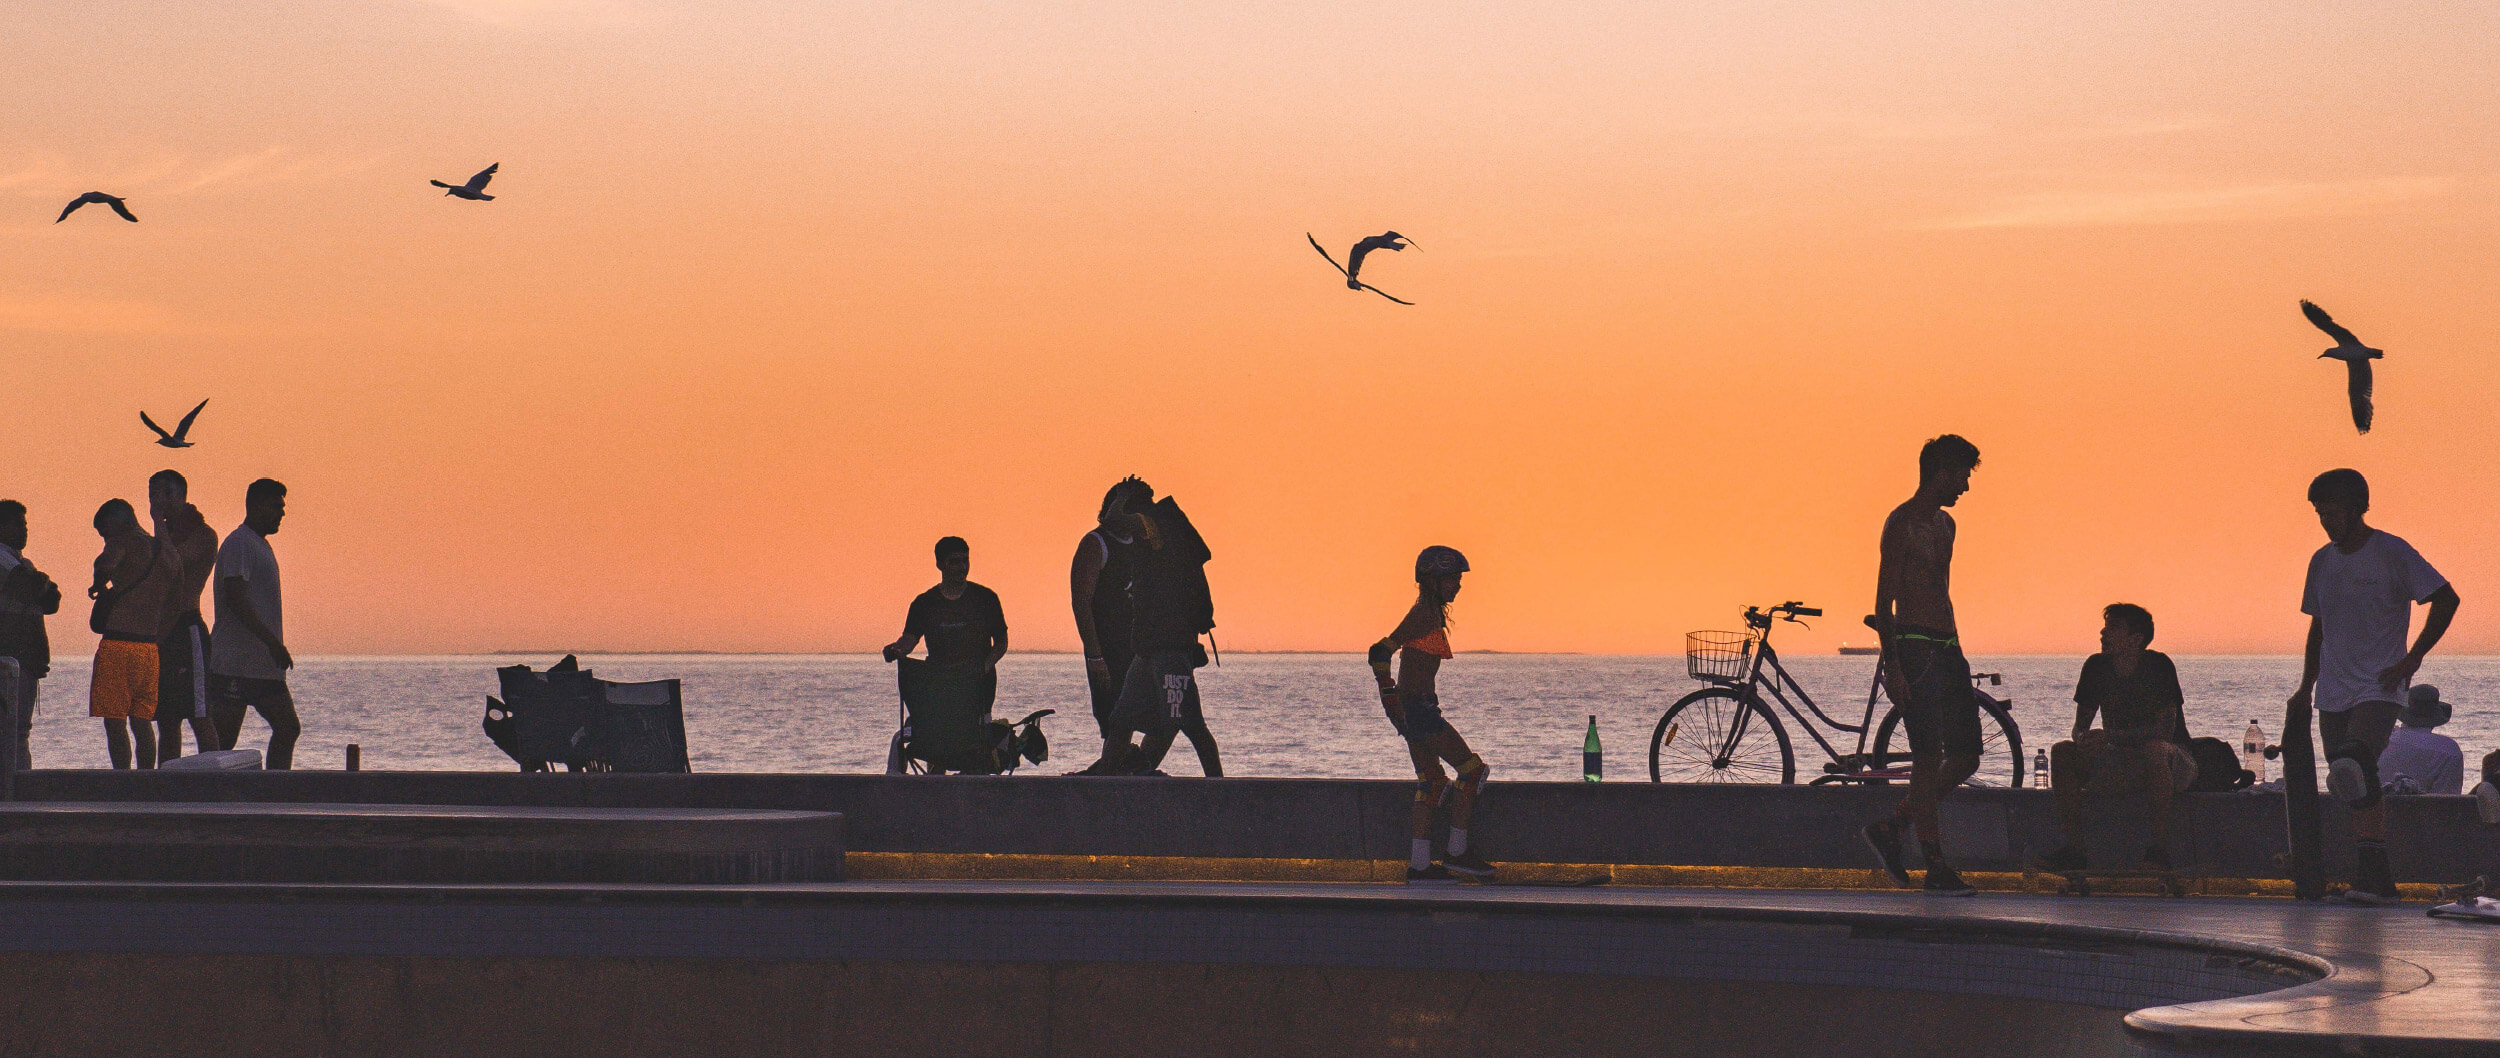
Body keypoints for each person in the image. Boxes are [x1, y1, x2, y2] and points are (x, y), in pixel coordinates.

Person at [2289, 468, 2461, 905]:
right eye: (2319, 515)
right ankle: (2376, 877)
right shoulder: (2321, 561)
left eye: (2331, 513)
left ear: (2356, 508)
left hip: (2379, 685)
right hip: (2332, 689)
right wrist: (2306, 686)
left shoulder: (2391, 552)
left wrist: (2413, 657)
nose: (2326, 522)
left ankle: (2373, 875)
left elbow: (2446, 597)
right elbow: (2319, 627)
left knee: (2355, 762)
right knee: (2350, 783)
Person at [1861, 434, 1984, 896]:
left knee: (1967, 754)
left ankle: (1893, 826)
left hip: (1948, 645)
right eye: (1962, 476)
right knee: (1928, 757)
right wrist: (1892, 664)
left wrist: (1953, 643)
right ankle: (1935, 865)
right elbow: (1883, 598)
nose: (1965, 487)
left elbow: (1940, 588)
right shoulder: (1901, 523)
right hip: (1912, 647)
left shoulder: (1946, 525)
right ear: (1940, 472)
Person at [1070, 477, 1219, 776]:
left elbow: (1113, 518)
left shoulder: (1156, 525)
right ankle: (1107, 778)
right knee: (1121, 719)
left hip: (1170, 647)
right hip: (1148, 647)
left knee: (1189, 723)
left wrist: (1122, 494)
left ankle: (1219, 786)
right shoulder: (1151, 534)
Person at [2036, 604, 2194, 873]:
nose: (2103, 632)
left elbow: (2164, 732)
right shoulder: (2096, 666)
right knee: (2062, 751)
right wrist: (2084, 739)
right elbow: (2079, 727)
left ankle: (2158, 853)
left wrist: (2111, 737)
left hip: (2172, 761)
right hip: (2122, 759)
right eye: (2106, 626)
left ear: (2136, 639)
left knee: (2154, 750)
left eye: (2114, 627)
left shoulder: (2159, 666)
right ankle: (2076, 852)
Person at [1370, 546, 1494, 883]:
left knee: (1432, 782)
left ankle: (1420, 865)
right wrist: (1388, 695)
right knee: (1472, 771)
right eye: (1453, 579)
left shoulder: (1430, 614)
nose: (1458, 586)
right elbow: (1379, 652)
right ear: (1433, 581)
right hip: (1419, 711)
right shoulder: (1423, 614)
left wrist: (1395, 707)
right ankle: (1457, 853)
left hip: (1414, 712)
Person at [210, 478, 300, 769]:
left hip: (262, 667)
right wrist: (273, 643)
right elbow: (235, 598)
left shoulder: (261, 546)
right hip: (235, 664)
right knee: (223, 741)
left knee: (287, 727)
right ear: (257, 505)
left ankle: (275, 793)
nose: (282, 513)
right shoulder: (239, 543)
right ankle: (204, 797)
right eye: (276, 506)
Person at [89, 499, 183, 769]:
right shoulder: (164, 551)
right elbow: (175, 596)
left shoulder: (122, 541)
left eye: (103, 531)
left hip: (118, 643)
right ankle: (146, 778)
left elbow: (107, 563)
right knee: (142, 723)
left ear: (115, 523)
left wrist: (98, 583)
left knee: (115, 720)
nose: (104, 537)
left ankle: (122, 780)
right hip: (149, 649)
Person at [147, 470, 220, 764]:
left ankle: (214, 777)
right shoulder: (162, 536)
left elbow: (173, 563)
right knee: (166, 718)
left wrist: (158, 525)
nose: (154, 501)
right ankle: (166, 778)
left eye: (159, 494)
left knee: (199, 713)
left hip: (188, 628)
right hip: (163, 632)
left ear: (177, 495)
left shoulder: (203, 534)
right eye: (150, 494)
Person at [884, 536, 1009, 671]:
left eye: (965, 560)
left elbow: (1001, 642)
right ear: (940, 564)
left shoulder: (986, 598)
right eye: (954, 562)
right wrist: (895, 649)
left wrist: (984, 667)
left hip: (978, 685)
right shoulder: (923, 604)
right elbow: (909, 641)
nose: (962, 567)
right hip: (940, 683)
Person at [0, 501, 62, 770]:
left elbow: (52, 601)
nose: (25, 529)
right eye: (19, 523)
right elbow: (29, 587)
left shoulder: (21, 562)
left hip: (22, 661)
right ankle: (14, 791)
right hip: (9, 660)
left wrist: (40, 582)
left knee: (17, 731)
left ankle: (16, 789)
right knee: (13, 732)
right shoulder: (5, 560)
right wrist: (41, 580)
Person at [2378, 685, 2462, 796]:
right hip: (2424, 811)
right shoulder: (2449, 750)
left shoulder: (2381, 739)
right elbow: (2447, 799)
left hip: (2378, 809)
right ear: (2436, 714)